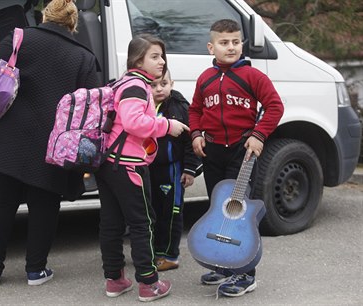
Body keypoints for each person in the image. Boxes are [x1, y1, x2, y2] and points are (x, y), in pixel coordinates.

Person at [0, 0, 100, 287]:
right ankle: (36, 270)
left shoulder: (19, 37)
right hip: (52, 142)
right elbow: (89, 103)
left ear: (44, 15)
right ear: (73, 23)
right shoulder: (82, 56)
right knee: (44, 205)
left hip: (6, 135)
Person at [188, 19, 284, 297]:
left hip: (243, 152)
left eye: (235, 42)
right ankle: (222, 264)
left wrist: (259, 134)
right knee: (217, 209)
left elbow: (275, 106)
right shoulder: (205, 78)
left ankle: (245, 274)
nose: (231, 47)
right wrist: (195, 134)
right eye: (224, 42)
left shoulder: (253, 76)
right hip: (213, 151)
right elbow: (195, 110)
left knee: (237, 211)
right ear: (211, 47)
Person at [94, 34, 189, 302]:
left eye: (162, 56)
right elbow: (135, 123)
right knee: (142, 224)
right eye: (154, 57)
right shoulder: (136, 86)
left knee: (111, 224)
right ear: (138, 60)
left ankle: (115, 280)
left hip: (109, 163)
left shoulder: (123, 82)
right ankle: (149, 283)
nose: (161, 62)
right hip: (129, 166)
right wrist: (168, 126)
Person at [149, 69, 202, 271]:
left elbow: (191, 141)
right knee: (151, 211)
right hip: (149, 169)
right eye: (153, 85)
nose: (159, 89)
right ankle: (155, 251)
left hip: (173, 170)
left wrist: (190, 169)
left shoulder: (180, 107)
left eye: (163, 84)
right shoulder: (145, 107)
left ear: (172, 82)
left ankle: (170, 255)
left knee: (171, 213)